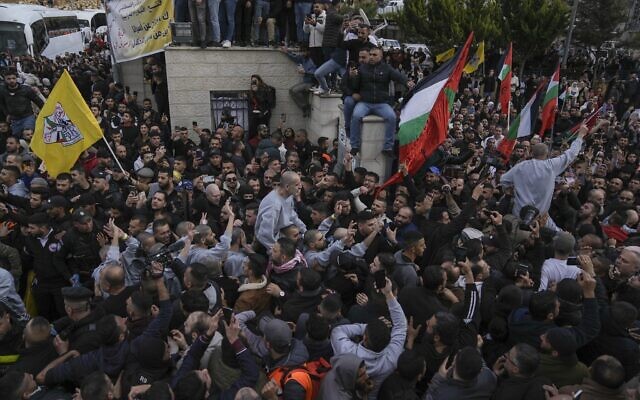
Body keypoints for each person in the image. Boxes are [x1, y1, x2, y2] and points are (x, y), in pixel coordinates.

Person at [348, 47, 412, 157]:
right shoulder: (362, 68)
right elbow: (355, 86)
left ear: (381, 57)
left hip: (381, 104)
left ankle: (388, 147)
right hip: (365, 102)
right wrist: (353, 77)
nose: (372, 57)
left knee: (392, 117)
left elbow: (399, 77)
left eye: (374, 55)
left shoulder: (387, 68)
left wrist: (407, 82)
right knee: (356, 116)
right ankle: (354, 145)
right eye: (371, 54)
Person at [255, 171, 307, 253]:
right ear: (287, 187)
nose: (300, 187)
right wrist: (276, 252)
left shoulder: (288, 196)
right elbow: (265, 234)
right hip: (266, 245)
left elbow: (292, 216)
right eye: (297, 185)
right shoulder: (274, 205)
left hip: (281, 236)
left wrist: (305, 231)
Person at [0, 69, 45, 136]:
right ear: (5, 79)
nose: (11, 80)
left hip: (28, 117)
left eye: (13, 78)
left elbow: (38, 101)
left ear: (16, 78)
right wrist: (7, 114)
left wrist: (45, 112)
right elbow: (2, 103)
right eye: (8, 79)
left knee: (28, 135)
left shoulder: (26, 89)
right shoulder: (2, 91)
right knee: (18, 139)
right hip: (14, 119)